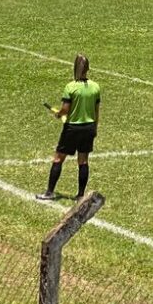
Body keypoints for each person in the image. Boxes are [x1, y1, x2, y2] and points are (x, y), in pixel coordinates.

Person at [38, 55, 100, 201]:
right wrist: (95, 128)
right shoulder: (95, 87)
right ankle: (80, 195)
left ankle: (49, 192)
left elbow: (65, 109)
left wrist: (59, 114)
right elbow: (96, 110)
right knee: (83, 161)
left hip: (72, 128)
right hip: (89, 127)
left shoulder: (70, 87)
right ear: (88, 69)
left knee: (59, 158)